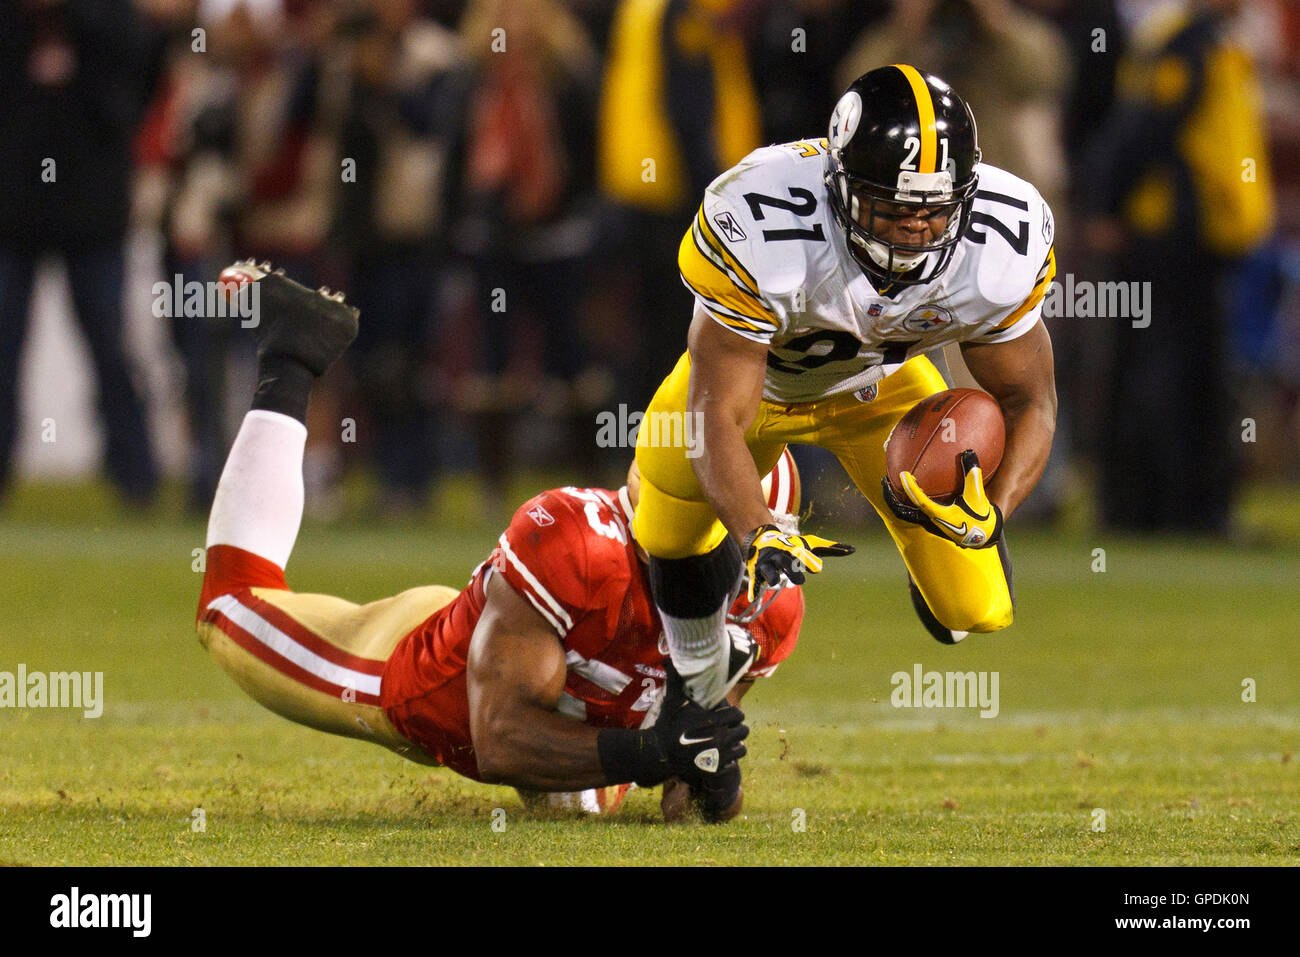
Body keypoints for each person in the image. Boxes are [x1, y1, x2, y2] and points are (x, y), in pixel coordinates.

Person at [194, 262, 804, 821]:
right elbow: (499, 739)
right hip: (439, 685)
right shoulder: (577, 547)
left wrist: (712, 775)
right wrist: (650, 750)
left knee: (582, 811)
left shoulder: (768, 607)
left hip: (550, 682)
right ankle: (292, 353)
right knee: (228, 606)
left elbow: (687, 792)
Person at [632, 65, 1058, 713]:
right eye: (891, 209)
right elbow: (716, 416)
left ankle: (925, 547)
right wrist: (758, 531)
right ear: (839, 188)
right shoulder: (758, 219)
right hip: (753, 395)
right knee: (665, 531)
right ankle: (700, 678)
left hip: (877, 392)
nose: (916, 229)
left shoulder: (1002, 240)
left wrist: (991, 511)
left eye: (934, 211)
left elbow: (1033, 401)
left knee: (976, 610)